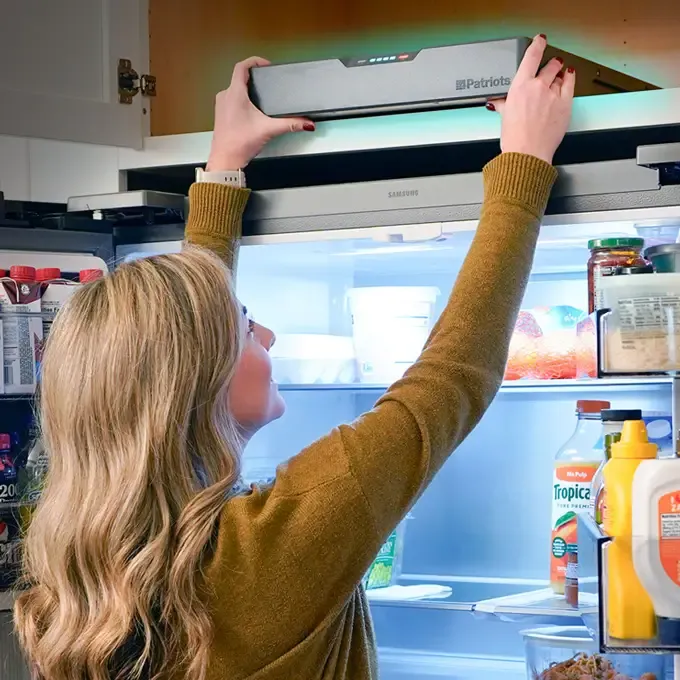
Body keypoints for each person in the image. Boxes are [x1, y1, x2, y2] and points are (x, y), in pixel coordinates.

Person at [14, 34, 574, 680]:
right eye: (247, 326)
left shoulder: (76, 593)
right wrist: (522, 171)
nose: (269, 338)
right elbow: (450, 379)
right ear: (199, 386)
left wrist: (223, 169)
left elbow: (176, 337)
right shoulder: (278, 544)